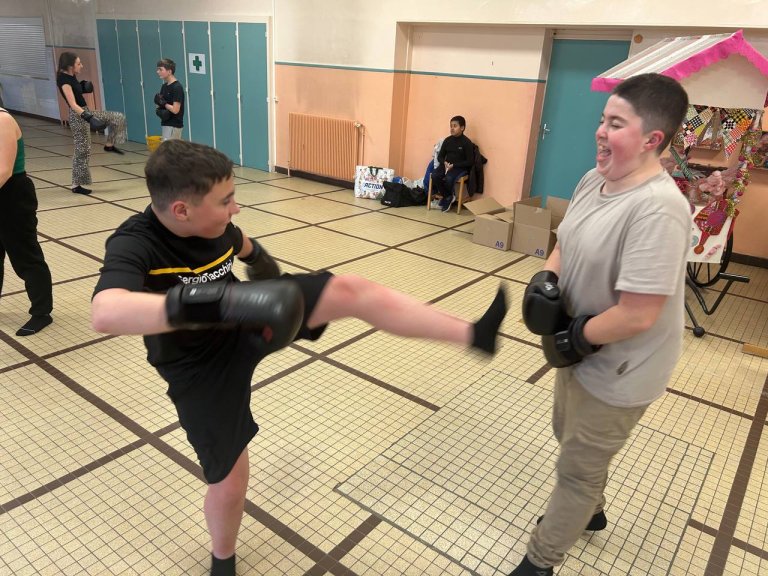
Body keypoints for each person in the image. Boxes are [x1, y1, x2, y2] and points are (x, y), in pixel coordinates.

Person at [90, 139, 508, 576]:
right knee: (230, 481)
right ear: (181, 210)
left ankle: (474, 335)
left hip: (248, 318)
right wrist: (212, 303)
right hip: (198, 366)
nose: (236, 209)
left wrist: (261, 263)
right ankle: (223, 560)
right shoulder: (135, 242)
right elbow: (105, 312)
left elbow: (241, 242)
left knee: (351, 290)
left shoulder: (218, 226)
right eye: (226, 201)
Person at [513, 73, 691, 575]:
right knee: (566, 432)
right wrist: (547, 279)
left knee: (576, 470)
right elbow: (566, 240)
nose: (600, 131)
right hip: (578, 343)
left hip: (622, 366)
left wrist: (573, 338)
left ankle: (541, 560)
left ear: (652, 139)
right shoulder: (595, 179)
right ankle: (590, 511)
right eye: (602, 119)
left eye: (615, 123)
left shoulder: (658, 210)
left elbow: (639, 313)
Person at [0, 108, 54, 335]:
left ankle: (42, 312)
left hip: (12, 195)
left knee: (25, 256)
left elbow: (4, 170)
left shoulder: (2, 119)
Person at [56, 51, 128, 195]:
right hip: (78, 116)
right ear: (70, 66)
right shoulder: (64, 80)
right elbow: (72, 104)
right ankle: (76, 185)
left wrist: (81, 88)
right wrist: (88, 117)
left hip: (86, 111)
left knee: (117, 117)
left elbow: (76, 93)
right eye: (78, 64)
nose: (81, 66)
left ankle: (109, 145)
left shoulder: (71, 75)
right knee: (82, 150)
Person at [431, 115, 473, 212]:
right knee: (435, 175)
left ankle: (446, 198)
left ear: (462, 128)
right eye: (451, 126)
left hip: (459, 167)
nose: (452, 128)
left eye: (455, 126)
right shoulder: (447, 140)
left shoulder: (467, 142)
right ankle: (448, 196)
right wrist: (444, 162)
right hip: (446, 165)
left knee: (449, 178)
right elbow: (440, 156)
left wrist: (454, 165)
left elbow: (470, 162)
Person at [154, 58, 184, 141]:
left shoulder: (177, 87)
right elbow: (160, 104)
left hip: (174, 125)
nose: (157, 72)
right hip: (165, 123)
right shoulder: (164, 86)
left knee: (171, 149)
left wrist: (164, 104)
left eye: (160, 69)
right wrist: (158, 105)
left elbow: (175, 110)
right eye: (157, 69)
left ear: (169, 71)